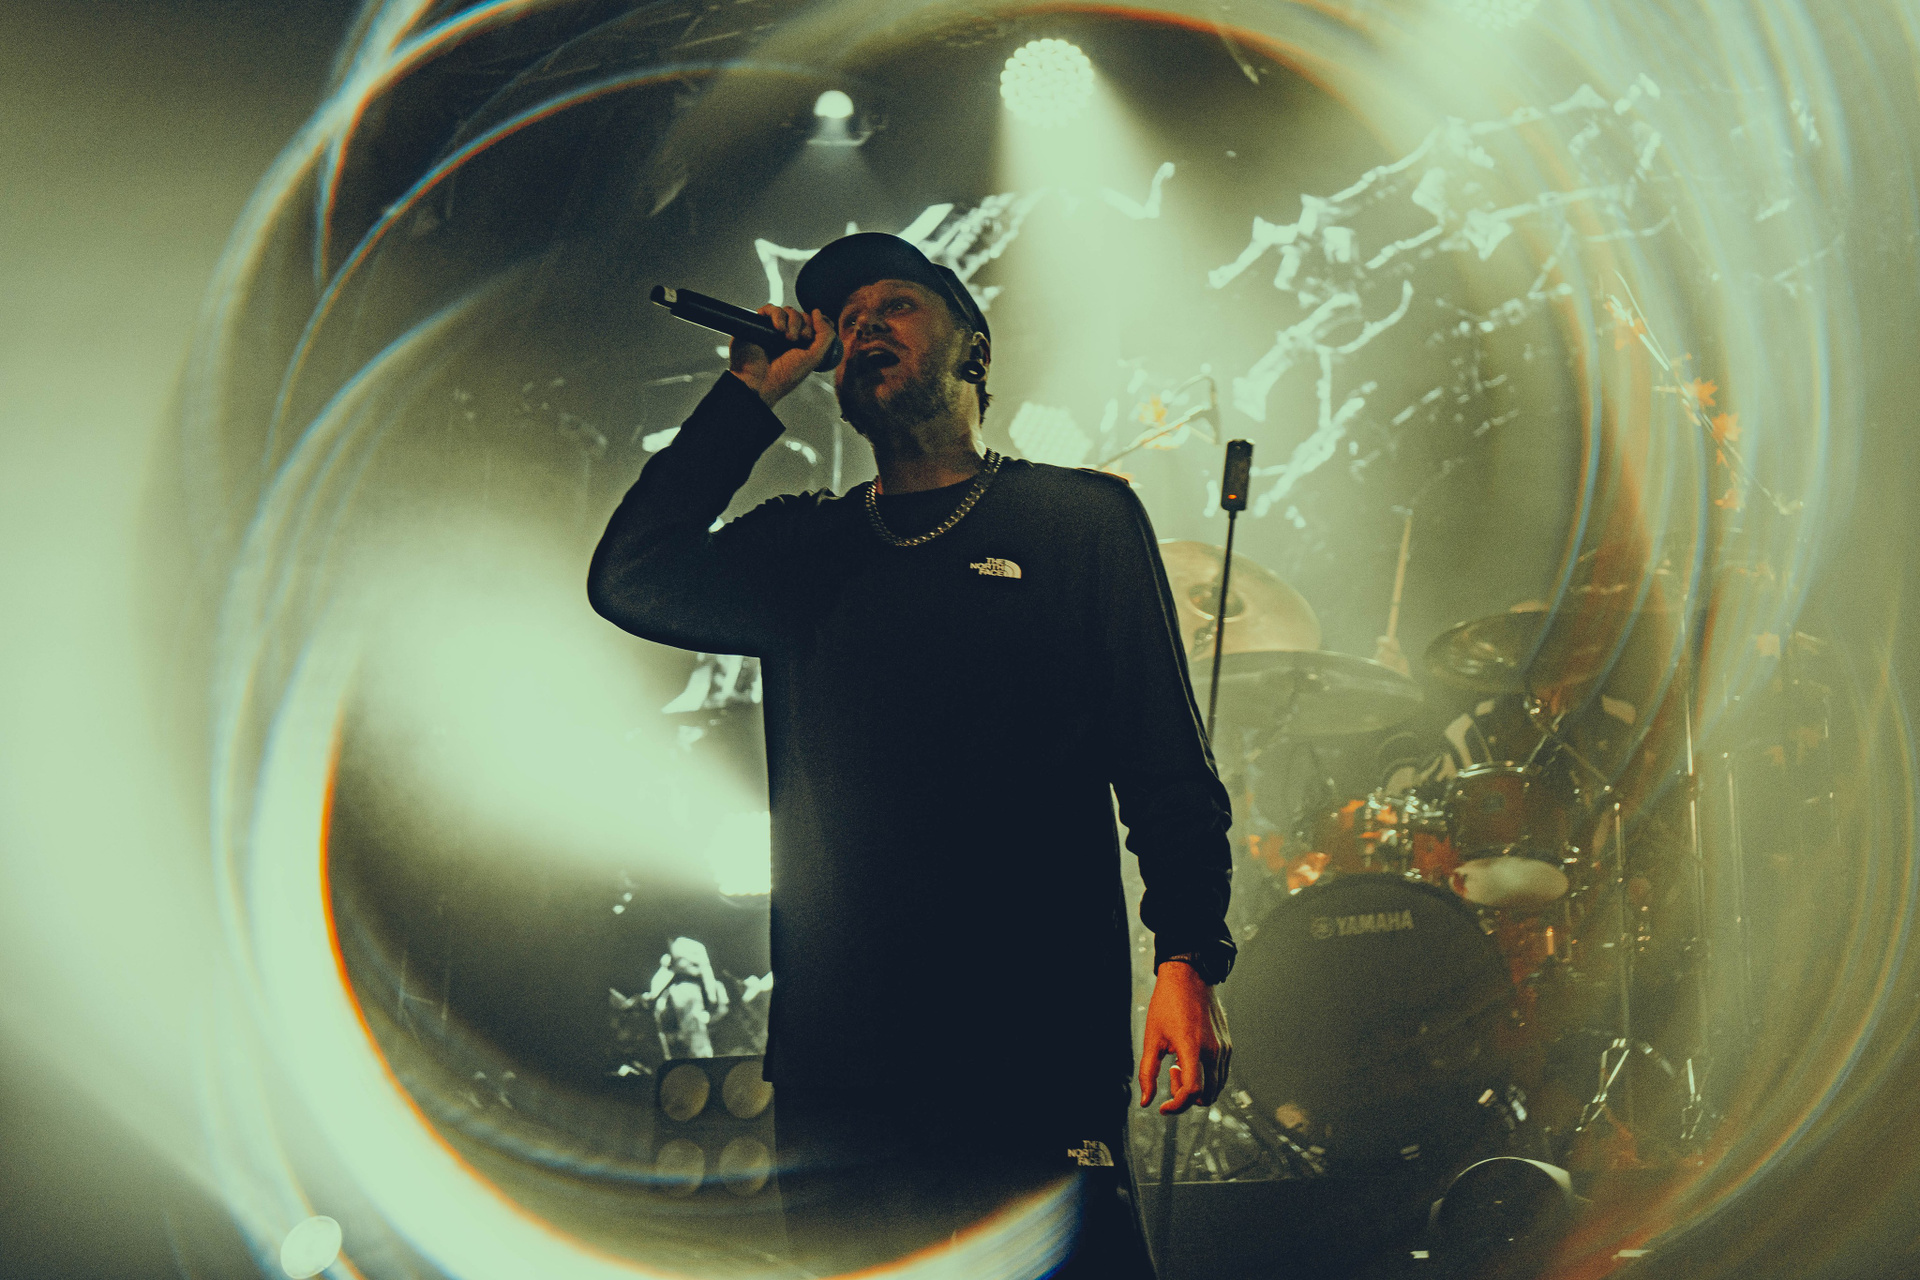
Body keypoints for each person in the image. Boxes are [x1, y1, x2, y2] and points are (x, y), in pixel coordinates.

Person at [588, 232, 1234, 1277]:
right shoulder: (805, 546)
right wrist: (748, 395)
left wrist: (1189, 955)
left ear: (973, 346)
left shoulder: (1079, 520)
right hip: (844, 1059)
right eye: (845, 323)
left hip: (1035, 1036)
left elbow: (1164, 762)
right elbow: (631, 576)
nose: (861, 329)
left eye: (895, 305)